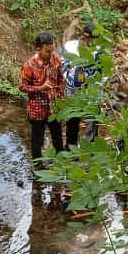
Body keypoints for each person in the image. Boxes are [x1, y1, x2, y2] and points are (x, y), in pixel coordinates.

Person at [19, 32, 65, 164]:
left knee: (57, 137)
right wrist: (40, 88)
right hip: (37, 109)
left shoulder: (55, 59)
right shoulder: (29, 65)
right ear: (38, 49)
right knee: (37, 140)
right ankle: (38, 167)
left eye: (52, 50)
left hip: (54, 107)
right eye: (47, 51)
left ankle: (61, 164)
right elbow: (22, 87)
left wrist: (61, 95)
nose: (50, 54)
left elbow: (61, 78)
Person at [62, 22, 107, 146]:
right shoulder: (70, 47)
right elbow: (62, 66)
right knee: (72, 120)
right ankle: (71, 147)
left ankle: (89, 147)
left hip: (92, 91)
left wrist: (99, 88)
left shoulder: (100, 52)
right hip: (73, 90)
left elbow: (104, 73)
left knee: (91, 120)